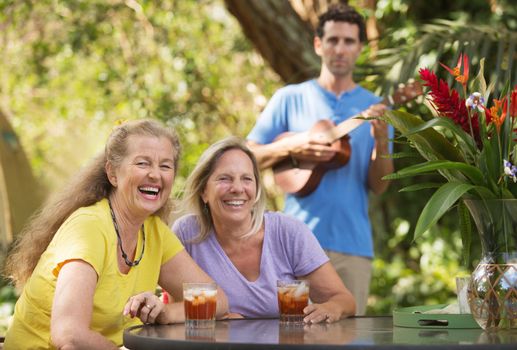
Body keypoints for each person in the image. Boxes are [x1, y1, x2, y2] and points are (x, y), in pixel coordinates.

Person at [3, 119, 228, 349]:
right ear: (112, 173)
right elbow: (68, 335)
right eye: (143, 163)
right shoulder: (89, 228)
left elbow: (216, 302)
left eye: (165, 166)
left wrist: (165, 312)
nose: (155, 174)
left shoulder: (154, 232)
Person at [246, 4, 394, 315]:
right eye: (333, 40)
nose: (340, 49)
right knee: (290, 334)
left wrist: (381, 140)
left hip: (351, 247)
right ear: (318, 44)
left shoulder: (375, 107)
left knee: (349, 337)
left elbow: (380, 186)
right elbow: (248, 157)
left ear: (360, 48)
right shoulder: (289, 98)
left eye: (349, 41)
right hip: (290, 247)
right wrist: (297, 145)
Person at [172, 136, 355, 323]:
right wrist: (220, 318)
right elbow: (179, 311)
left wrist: (330, 308)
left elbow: (344, 300)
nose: (237, 188)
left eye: (246, 179)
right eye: (224, 178)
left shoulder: (288, 232)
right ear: (204, 191)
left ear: (257, 190)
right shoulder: (187, 234)